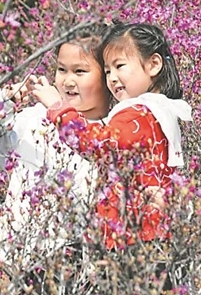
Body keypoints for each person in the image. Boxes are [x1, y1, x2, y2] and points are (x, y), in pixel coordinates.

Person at [0, 24, 112, 268]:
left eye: (80, 71)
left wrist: (60, 110)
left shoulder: (113, 131)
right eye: (61, 70)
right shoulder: (34, 121)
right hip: (18, 263)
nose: (68, 81)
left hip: (81, 269)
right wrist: (2, 104)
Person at [32, 22, 192, 250]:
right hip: (150, 232)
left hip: (133, 236)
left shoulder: (138, 114)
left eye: (120, 66)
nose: (112, 78)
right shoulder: (158, 110)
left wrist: (58, 108)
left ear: (153, 65)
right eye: (107, 71)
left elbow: (95, 143)